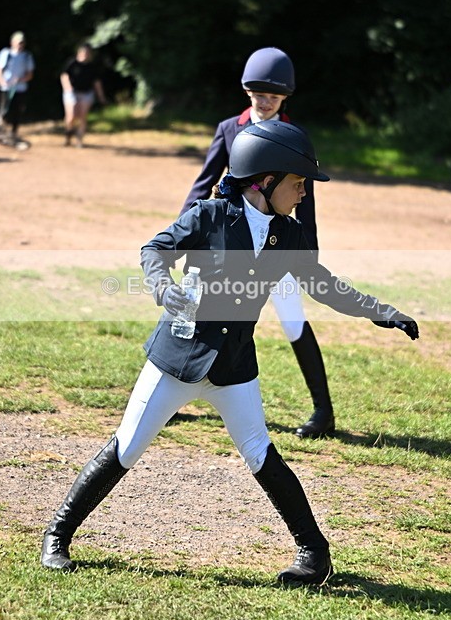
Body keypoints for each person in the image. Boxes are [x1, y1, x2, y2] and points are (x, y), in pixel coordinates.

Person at [41, 120, 419, 586]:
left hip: (235, 366)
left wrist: (382, 312)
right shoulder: (210, 215)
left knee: (260, 452)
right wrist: (161, 285)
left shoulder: (288, 234)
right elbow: (155, 249)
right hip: (179, 358)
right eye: (298, 183)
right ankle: (57, 535)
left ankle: (315, 555)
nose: (304, 193)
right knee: (128, 446)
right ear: (266, 181)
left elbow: (324, 285)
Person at [180, 47, 334, 440]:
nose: (265, 102)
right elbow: (204, 182)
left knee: (292, 319)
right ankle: (172, 395)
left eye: (274, 96)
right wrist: (185, 231)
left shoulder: (295, 137)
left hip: (277, 244)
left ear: (285, 98)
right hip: (230, 242)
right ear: (247, 91)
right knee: (195, 311)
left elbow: (306, 202)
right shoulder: (228, 129)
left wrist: (308, 258)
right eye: (259, 94)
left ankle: (323, 411)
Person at [60, 43, 106, 147]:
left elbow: (97, 82)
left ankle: (79, 140)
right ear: (79, 53)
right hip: (72, 92)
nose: (86, 54)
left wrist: (101, 96)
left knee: (82, 116)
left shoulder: (92, 67)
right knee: (71, 116)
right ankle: (68, 134)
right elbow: (64, 75)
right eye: (84, 52)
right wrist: (67, 87)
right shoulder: (72, 63)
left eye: (88, 53)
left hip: (86, 93)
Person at [0, 31, 35, 137]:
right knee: (3, 111)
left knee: (17, 111)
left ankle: (13, 133)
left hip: (20, 88)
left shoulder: (27, 56)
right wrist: (2, 82)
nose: (20, 45)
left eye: (22, 43)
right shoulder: (5, 53)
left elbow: (30, 74)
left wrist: (21, 79)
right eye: (18, 42)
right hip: (6, 88)